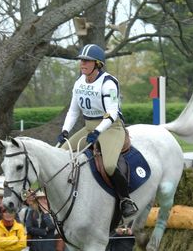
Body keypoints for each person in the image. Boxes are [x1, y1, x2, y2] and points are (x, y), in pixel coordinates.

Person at [58, 43, 137, 217]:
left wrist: (98, 131)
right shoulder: (78, 83)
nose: (82, 64)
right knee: (60, 154)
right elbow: (73, 111)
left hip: (111, 128)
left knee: (109, 165)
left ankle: (126, 200)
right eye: (81, 61)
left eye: (87, 61)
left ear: (97, 64)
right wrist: (65, 131)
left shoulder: (108, 83)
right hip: (88, 127)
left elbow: (112, 112)